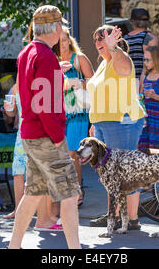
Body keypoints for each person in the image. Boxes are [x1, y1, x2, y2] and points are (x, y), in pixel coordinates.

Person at [8, 5, 81, 249]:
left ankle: (14, 246)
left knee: (34, 193)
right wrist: (59, 137)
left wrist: (55, 74)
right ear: (57, 28)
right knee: (70, 194)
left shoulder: (27, 52)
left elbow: (35, 91)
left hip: (30, 133)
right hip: (46, 136)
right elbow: (46, 106)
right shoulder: (46, 56)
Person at [87, 24, 145, 230]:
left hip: (122, 122)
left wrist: (114, 47)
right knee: (110, 171)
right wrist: (94, 122)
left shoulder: (121, 59)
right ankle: (115, 214)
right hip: (104, 122)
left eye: (102, 38)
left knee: (124, 170)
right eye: (95, 40)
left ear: (114, 40)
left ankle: (132, 218)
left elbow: (123, 65)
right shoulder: (104, 63)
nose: (98, 43)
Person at [2, 83, 62, 230]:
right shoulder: (17, 87)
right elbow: (12, 114)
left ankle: (46, 214)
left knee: (41, 174)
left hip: (34, 133)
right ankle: (20, 210)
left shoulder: (40, 83)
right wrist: (8, 109)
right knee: (19, 172)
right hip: (23, 134)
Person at [52, 26, 94, 207]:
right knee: (60, 154)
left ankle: (78, 189)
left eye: (63, 40)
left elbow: (94, 82)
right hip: (58, 112)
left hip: (78, 111)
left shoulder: (79, 59)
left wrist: (77, 82)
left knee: (73, 153)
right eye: (57, 41)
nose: (60, 44)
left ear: (69, 40)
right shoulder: (52, 60)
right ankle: (65, 190)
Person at [124, 8, 159, 80]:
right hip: (146, 82)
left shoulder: (124, 38)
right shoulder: (152, 38)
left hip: (127, 80)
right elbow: (155, 64)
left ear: (132, 21)